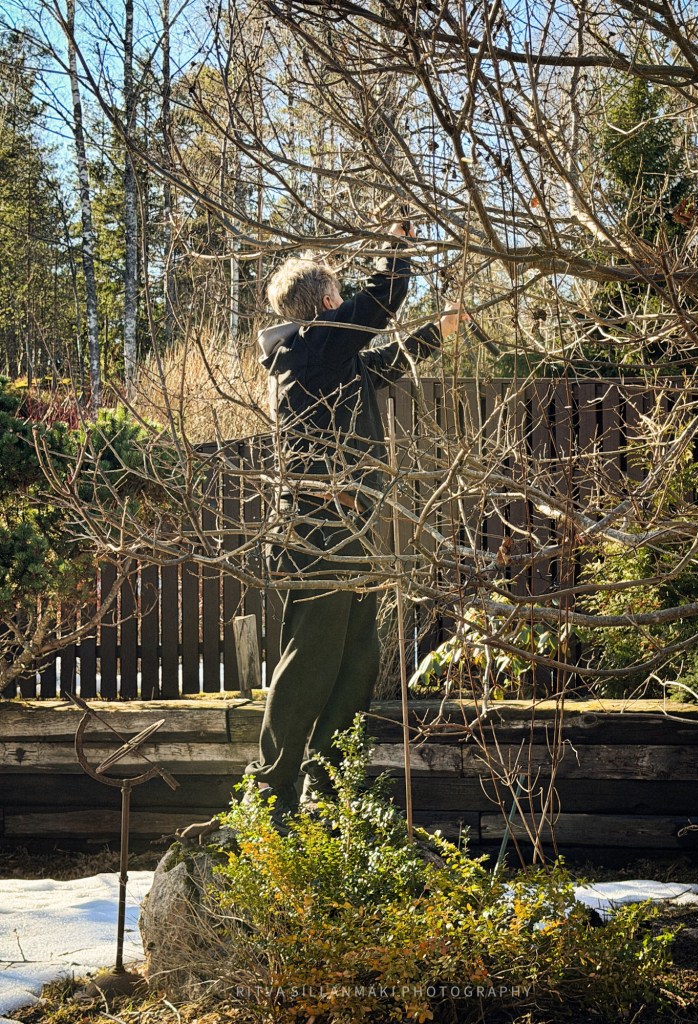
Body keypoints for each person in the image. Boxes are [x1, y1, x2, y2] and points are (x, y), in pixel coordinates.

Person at [244, 221, 463, 824]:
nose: (348, 301)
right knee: (310, 659)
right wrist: (397, 249)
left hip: (352, 529)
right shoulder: (305, 350)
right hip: (316, 530)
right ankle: (271, 793)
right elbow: (378, 305)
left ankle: (327, 784)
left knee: (357, 658)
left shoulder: (329, 360)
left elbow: (381, 362)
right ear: (328, 303)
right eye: (341, 294)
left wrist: (435, 334)